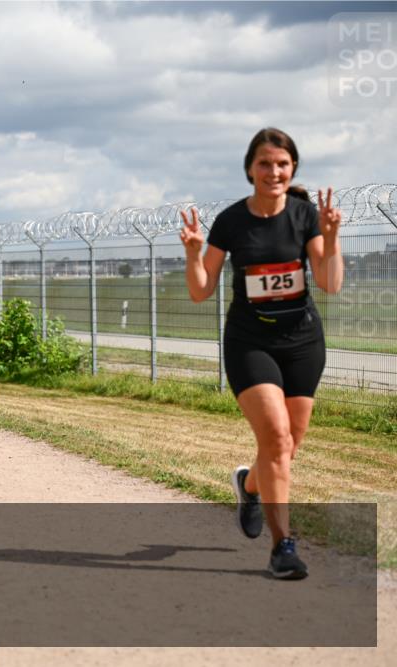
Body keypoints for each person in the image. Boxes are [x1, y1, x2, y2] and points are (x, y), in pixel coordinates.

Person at [180, 127, 343, 580]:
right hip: (250, 342)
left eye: (282, 164)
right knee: (274, 438)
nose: (274, 171)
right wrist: (195, 255)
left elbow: (329, 282)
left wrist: (330, 238)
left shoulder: (304, 214)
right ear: (250, 169)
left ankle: (249, 486)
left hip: (302, 342)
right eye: (265, 163)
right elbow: (200, 291)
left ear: (293, 169)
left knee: (288, 445)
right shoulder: (232, 221)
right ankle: (282, 547)